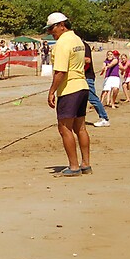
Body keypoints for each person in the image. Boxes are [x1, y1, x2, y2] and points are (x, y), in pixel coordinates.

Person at [45, 12, 91, 177]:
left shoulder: (62, 43)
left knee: (64, 128)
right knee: (81, 128)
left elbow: (60, 72)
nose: (51, 32)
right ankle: (85, 164)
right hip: (82, 86)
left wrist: (51, 91)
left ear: (61, 25)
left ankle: (73, 166)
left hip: (69, 89)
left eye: (52, 28)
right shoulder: (77, 39)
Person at [83, 40, 110, 127]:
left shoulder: (83, 45)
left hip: (87, 76)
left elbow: (87, 60)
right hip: (80, 77)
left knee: (92, 98)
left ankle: (104, 118)